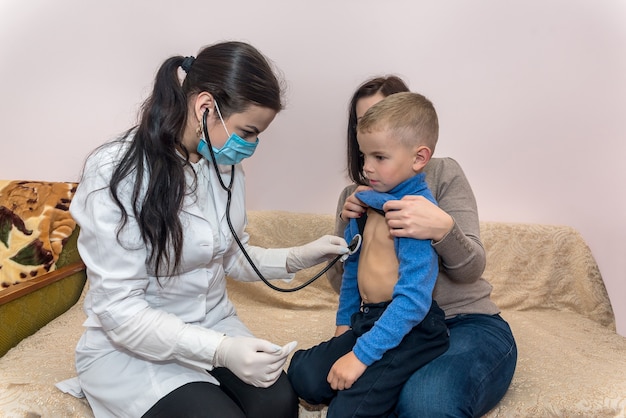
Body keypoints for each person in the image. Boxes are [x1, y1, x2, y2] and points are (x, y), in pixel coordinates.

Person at [56, 41, 349, 418]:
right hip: (135, 348)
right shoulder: (118, 172)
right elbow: (122, 312)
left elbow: (231, 254)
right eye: (248, 131)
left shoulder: (223, 165)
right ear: (205, 106)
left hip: (214, 323)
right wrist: (222, 351)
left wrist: (300, 256)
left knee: (278, 404)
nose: (251, 145)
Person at [327, 76, 518, 418]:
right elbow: (343, 286)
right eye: (364, 122)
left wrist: (442, 228)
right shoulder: (355, 195)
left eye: (385, 113)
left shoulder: (443, 174)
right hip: (386, 329)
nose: (374, 127)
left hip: (464, 322)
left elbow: (471, 269)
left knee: (426, 401)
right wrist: (348, 237)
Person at [288, 92, 450, 418]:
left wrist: (360, 357)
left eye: (380, 157)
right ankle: (375, 374)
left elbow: (413, 301)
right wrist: (343, 328)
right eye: (364, 157)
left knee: (344, 413)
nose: (367, 168)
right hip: (368, 319)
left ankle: (387, 376)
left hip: (411, 329)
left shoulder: (415, 215)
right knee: (302, 375)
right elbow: (351, 272)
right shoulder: (364, 205)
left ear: (419, 158)